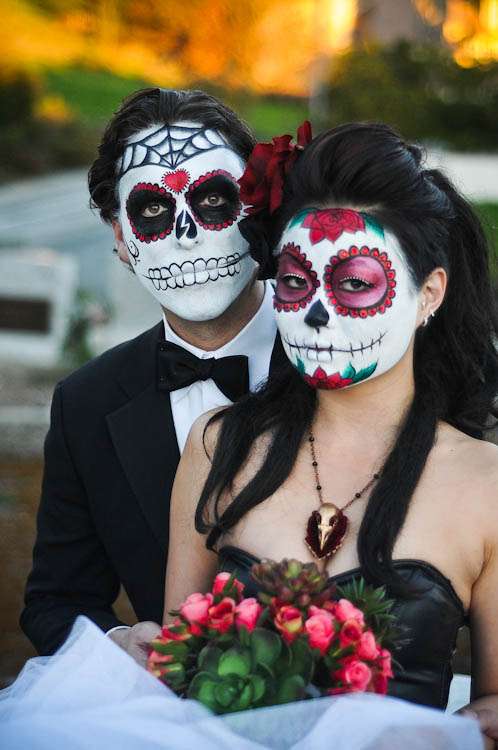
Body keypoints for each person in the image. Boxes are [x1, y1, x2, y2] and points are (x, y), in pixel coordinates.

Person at [164, 123, 498, 744]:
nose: (316, 313)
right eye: (295, 281)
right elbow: (175, 666)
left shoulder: (487, 486)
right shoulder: (219, 446)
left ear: (429, 294)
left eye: (355, 283)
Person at [20, 88, 282, 665]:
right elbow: (56, 601)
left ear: (256, 207)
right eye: (154, 211)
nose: (187, 233)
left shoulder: (336, 359)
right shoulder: (86, 404)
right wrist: (120, 644)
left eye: (213, 199)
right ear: (121, 238)